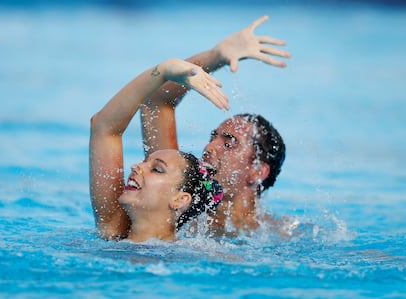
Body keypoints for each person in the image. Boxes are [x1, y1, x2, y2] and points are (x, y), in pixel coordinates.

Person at [140, 16, 291, 236]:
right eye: (213, 138)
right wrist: (215, 57)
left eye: (228, 144)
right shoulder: (178, 206)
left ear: (257, 171)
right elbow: (156, 104)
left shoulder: (282, 234)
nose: (209, 148)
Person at [89, 58, 225, 242]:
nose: (137, 167)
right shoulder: (112, 230)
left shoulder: (191, 257)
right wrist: (162, 71)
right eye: (145, 162)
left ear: (179, 199)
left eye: (156, 169)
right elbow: (104, 126)